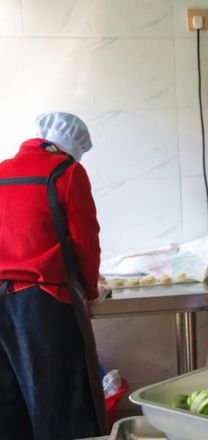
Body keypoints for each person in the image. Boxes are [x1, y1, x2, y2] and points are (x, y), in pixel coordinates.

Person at [0, 112, 108, 439]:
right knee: (62, 402)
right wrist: (90, 291)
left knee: (9, 402)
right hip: (44, 301)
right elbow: (85, 242)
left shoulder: (2, 171)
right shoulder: (67, 173)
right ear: (70, 148)